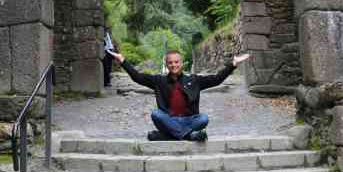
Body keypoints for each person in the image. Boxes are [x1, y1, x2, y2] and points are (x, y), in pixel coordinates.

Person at [107, 49, 251, 141]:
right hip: (169, 119)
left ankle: (168, 136)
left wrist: (233, 64)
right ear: (166, 64)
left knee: (204, 118)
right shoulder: (159, 81)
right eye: (170, 63)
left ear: (181, 63)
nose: (173, 65)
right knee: (156, 114)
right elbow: (137, 77)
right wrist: (122, 60)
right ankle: (189, 136)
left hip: (190, 120)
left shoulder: (194, 80)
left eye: (176, 62)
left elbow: (217, 79)